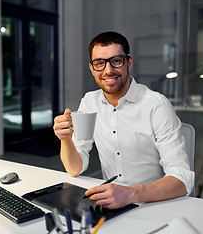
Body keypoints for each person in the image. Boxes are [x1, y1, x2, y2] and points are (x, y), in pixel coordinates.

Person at [53, 31, 194, 209]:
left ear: (129, 62)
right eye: (99, 63)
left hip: (154, 203)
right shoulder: (89, 102)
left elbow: (182, 179)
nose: (108, 70)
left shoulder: (156, 105)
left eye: (116, 61)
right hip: (112, 204)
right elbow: (75, 168)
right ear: (92, 68)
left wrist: (129, 194)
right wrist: (65, 140)